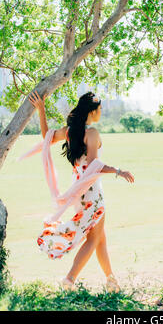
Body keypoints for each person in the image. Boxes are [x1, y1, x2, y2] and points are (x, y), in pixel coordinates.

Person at [28, 90, 135, 293]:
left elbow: (46, 136)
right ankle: (69, 279)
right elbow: (94, 165)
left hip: (80, 193)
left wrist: (41, 110)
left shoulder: (70, 132)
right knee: (93, 238)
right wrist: (118, 171)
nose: (101, 112)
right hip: (92, 193)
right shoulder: (92, 133)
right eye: (100, 108)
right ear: (92, 111)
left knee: (100, 237)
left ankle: (111, 280)